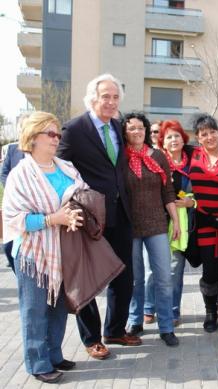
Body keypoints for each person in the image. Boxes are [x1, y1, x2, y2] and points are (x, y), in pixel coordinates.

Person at [58, 74, 140, 360]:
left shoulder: (118, 126)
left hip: (120, 212)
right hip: (89, 215)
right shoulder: (74, 129)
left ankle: (115, 329)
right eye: (105, 96)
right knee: (88, 276)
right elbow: (58, 167)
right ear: (92, 97)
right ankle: (91, 338)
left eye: (115, 97)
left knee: (123, 274)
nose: (111, 102)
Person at [3, 112, 86, 383]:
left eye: (57, 134)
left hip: (64, 249)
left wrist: (75, 213)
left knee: (59, 307)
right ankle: (38, 363)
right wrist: (53, 219)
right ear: (33, 137)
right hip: (33, 254)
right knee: (35, 310)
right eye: (50, 134)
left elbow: (81, 194)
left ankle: (54, 354)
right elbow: (14, 218)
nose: (56, 139)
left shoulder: (66, 167)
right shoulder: (20, 175)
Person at [120, 112, 180, 347]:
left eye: (141, 128)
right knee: (135, 279)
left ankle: (166, 326)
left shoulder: (158, 156)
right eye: (131, 128)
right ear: (125, 131)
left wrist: (175, 220)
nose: (137, 132)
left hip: (157, 224)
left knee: (164, 277)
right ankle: (135, 320)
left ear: (146, 131)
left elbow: (168, 191)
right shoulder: (120, 158)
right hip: (130, 227)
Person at [143, 120, 196, 327]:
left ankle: (173, 310)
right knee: (151, 270)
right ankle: (149, 307)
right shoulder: (155, 161)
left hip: (181, 224)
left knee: (175, 269)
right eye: (168, 137)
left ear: (183, 139)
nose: (173, 140)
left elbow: (197, 193)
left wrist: (191, 202)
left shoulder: (192, 162)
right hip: (156, 222)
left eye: (177, 136)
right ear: (162, 142)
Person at [188, 113, 218, 332]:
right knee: (209, 270)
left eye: (212, 132)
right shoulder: (192, 155)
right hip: (205, 222)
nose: (209, 137)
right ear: (198, 137)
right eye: (204, 134)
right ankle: (210, 312)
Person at [1, 141, 25, 272]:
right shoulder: (12, 149)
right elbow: (4, 172)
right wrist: (11, 188)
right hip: (14, 203)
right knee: (8, 246)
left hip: (30, 207)